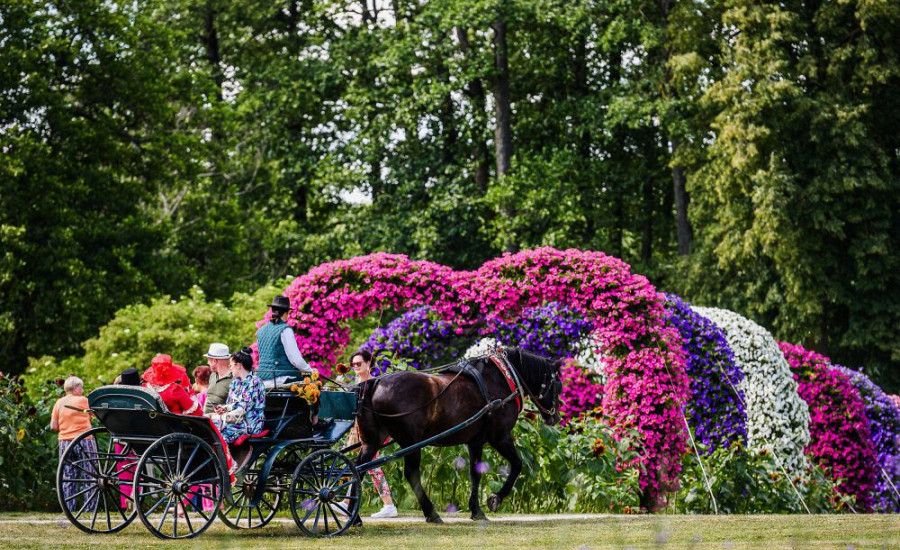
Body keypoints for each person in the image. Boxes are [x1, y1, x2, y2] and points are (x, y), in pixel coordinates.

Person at [348, 350, 398, 518]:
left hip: (375, 431)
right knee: (365, 464)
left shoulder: (373, 384)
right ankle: (348, 501)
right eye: (353, 364)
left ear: (368, 363)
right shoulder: (359, 381)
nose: (355, 367)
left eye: (358, 364)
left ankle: (388, 504)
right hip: (361, 430)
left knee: (371, 464)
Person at [51, 376, 97, 512]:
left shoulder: (59, 403)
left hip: (65, 442)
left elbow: (53, 426)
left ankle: (68, 509)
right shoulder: (82, 400)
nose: (82, 390)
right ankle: (89, 509)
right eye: (81, 387)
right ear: (76, 388)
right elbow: (95, 415)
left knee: (68, 476)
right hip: (84, 440)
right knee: (90, 475)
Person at [211, 347, 266, 446]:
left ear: (238, 366)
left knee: (216, 431)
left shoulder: (255, 382)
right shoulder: (235, 383)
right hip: (235, 421)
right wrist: (223, 409)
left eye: (230, 365)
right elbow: (231, 404)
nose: (230, 368)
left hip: (250, 424)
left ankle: (226, 460)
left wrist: (228, 409)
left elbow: (245, 407)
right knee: (209, 426)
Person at [256, 295, 313, 388]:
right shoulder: (285, 330)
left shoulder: (261, 331)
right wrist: (310, 370)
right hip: (281, 379)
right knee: (312, 385)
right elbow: (296, 360)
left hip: (262, 380)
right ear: (286, 313)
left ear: (272, 311)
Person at [203, 343, 233, 415]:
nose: (207, 362)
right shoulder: (213, 375)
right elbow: (209, 397)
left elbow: (235, 406)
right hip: (205, 418)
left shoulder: (234, 379)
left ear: (215, 361)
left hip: (219, 421)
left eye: (209, 360)